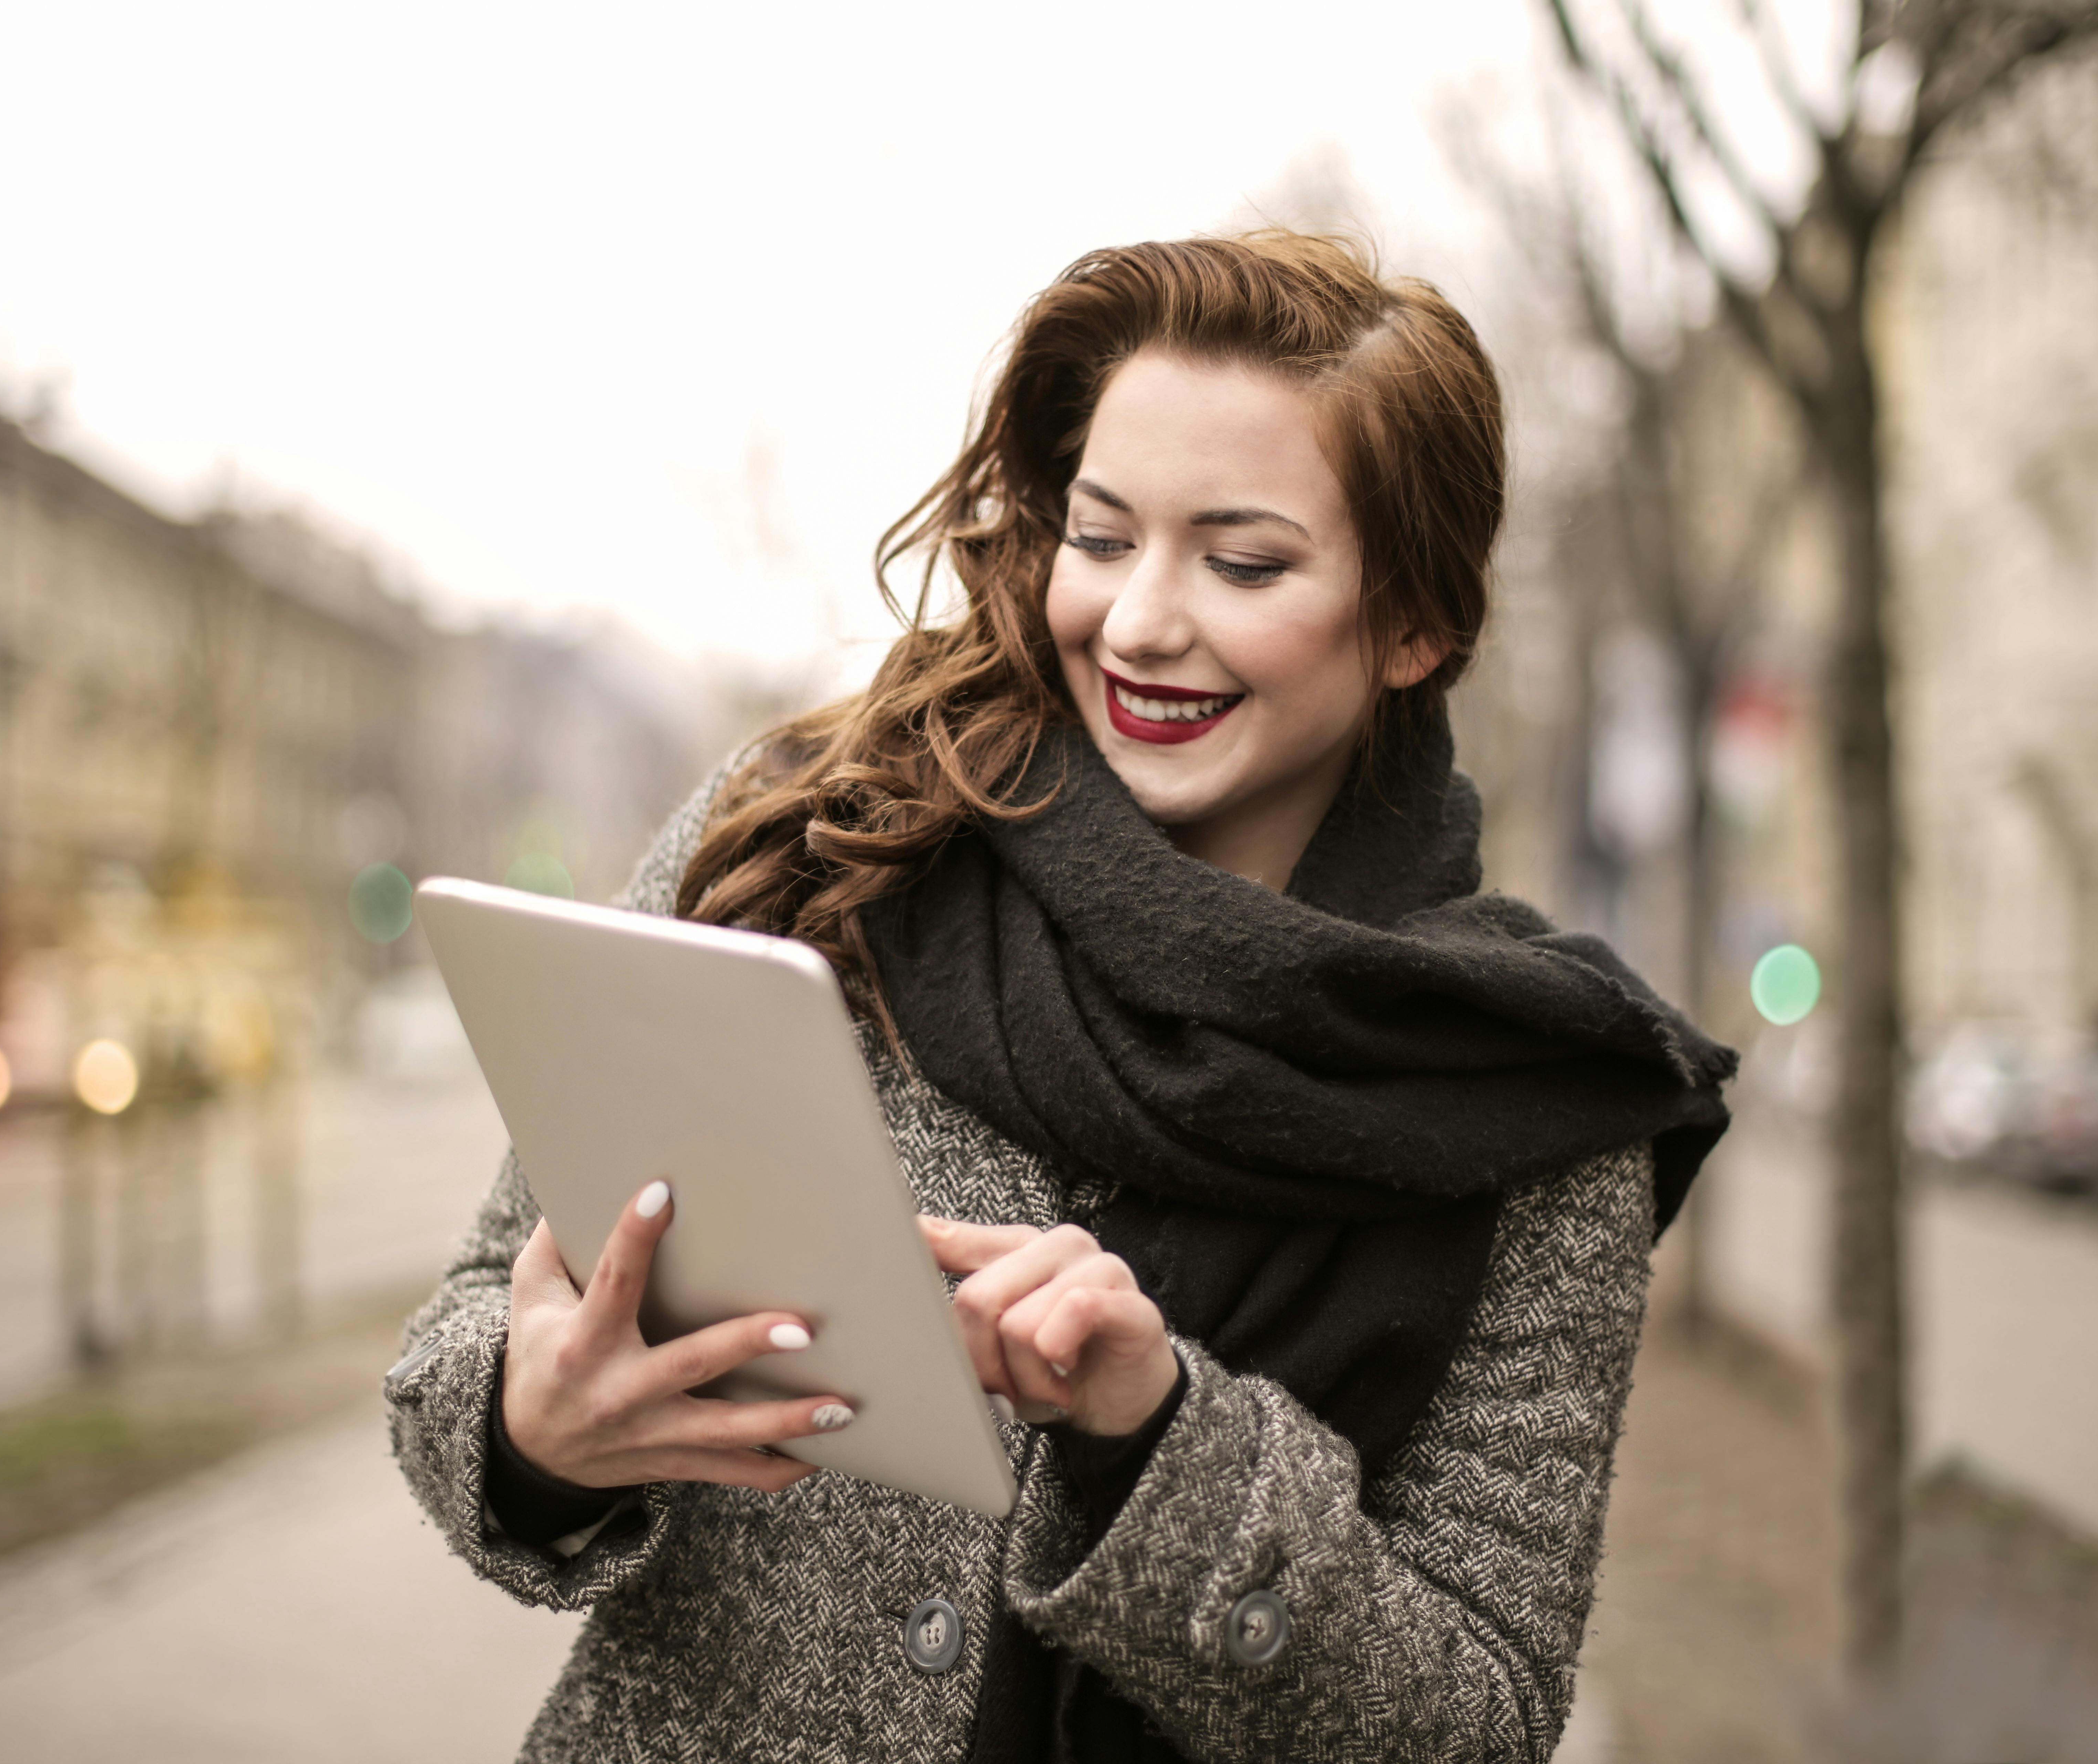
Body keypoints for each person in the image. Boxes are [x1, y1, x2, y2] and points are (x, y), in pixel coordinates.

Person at [389, 230, 1734, 1764]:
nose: (1143, 621)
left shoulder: (1535, 1103)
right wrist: (531, 1430)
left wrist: (1165, 1433)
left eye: (1244, 561)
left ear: (1417, 623)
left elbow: (1482, 1722)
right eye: (1103, 538)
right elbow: (470, 1325)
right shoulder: (805, 846)